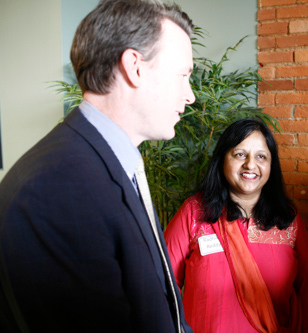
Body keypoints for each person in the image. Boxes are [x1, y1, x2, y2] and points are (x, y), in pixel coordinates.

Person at [0, 1, 195, 332]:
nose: (190, 95)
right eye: (183, 76)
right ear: (135, 67)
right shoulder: (56, 188)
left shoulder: (107, 162)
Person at [164, 119, 308, 332]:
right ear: (222, 159)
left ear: (271, 165)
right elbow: (162, 283)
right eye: (240, 154)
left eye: (261, 156)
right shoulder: (194, 213)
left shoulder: (288, 219)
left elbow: (306, 291)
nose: (250, 164)